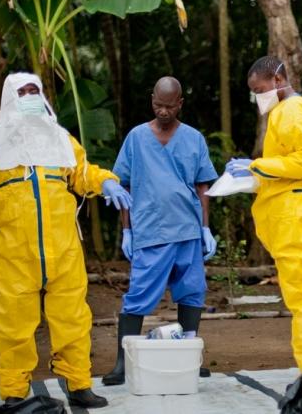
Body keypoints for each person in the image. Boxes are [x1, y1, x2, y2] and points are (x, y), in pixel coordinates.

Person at [0, 72, 131, 408]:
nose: (31, 96)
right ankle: (15, 390)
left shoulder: (61, 140)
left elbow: (82, 171)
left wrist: (106, 182)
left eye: (35, 90)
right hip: (13, 253)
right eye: (24, 91)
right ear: (10, 99)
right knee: (13, 325)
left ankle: (78, 383)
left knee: (73, 319)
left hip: (63, 250)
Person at [225, 56, 302, 372]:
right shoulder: (287, 112)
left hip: (296, 215)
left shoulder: (291, 110)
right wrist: (254, 176)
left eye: (259, 89)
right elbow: (291, 167)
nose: (257, 96)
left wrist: (255, 166)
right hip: (299, 211)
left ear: (278, 79)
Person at [102, 76, 218, 386]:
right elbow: (122, 185)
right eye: (157, 105)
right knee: (139, 294)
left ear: (180, 103)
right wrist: (127, 231)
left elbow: (202, 186)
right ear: (151, 99)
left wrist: (206, 227)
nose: (163, 111)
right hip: (151, 230)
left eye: (169, 106)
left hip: (188, 229)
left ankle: (190, 359)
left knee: (193, 292)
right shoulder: (137, 138)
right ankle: (123, 363)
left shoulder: (194, 139)